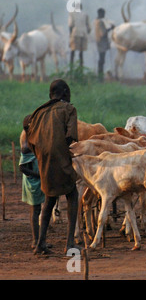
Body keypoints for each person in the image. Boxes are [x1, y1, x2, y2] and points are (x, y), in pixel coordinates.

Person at [26, 79, 79, 254]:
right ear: (64, 92)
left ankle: (40, 243)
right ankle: (70, 242)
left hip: (43, 159)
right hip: (61, 158)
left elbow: (30, 138)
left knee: (49, 199)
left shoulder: (38, 112)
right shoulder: (69, 109)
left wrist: (41, 155)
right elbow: (71, 135)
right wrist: (66, 153)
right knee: (72, 194)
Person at [19, 117, 46, 250]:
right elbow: (22, 168)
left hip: (37, 180)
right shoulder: (27, 147)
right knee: (35, 211)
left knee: (38, 210)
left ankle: (39, 240)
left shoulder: (31, 142)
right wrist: (39, 175)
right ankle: (36, 241)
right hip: (32, 182)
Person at [94, 8, 114, 82]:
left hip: (98, 42)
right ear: (101, 14)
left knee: (101, 59)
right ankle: (100, 77)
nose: (104, 15)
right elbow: (103, 33)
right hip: (102, 43)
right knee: (102, 60)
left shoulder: (96, 21)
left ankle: (100, 76)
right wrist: (110, 28)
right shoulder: (100, 22)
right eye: (103, 14)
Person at [68, 2, 90, 68]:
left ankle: (71, 68)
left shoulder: (72, 13)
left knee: (73, 51)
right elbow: (88, 26)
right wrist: (87, 32)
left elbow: (70, 25)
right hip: (83, 34)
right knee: (81, 52)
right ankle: (81, 68)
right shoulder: (85, 14)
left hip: (75, 33)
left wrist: (70, 35)